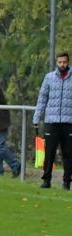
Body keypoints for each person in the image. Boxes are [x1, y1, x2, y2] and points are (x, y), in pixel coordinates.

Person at [32, 51, 72, 190]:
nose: (62, 64)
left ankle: (67, 182)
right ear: (56, 63)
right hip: (51, 121)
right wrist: (37, 117)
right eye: (60, 62)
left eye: (65, 62)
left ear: (68, 62)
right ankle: (46, 180)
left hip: (68, 122)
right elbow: (42, 99)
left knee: (68, 154)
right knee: (49, 153)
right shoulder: (49, 78)